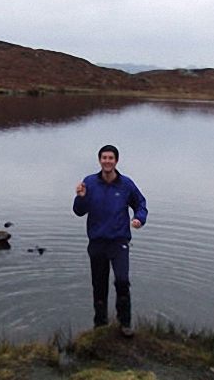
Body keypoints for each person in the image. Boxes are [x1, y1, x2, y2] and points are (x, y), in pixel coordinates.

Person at [73, 145, 148, 338]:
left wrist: (139, 218)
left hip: (119, 241)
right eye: (104, 158)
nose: (107, 161)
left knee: (122, 281)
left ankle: (125, 323)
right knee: (99, 284)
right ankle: (100, 324)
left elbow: (140, 203)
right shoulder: (89, 182)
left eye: (111, 158)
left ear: (116, 161)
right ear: (99, 160)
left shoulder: (126, 184)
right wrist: (80, 197)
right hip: (97, 241)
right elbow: (79, 211)